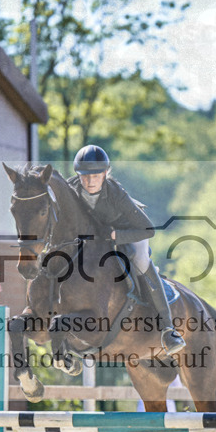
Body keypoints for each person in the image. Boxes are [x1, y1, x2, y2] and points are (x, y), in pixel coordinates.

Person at [68, 145, 186, 355]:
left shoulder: (116, 194)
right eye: (84, 176)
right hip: (98, 239)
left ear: (105, 173)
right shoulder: (72, 188)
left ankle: (168, 329)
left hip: (130, 232)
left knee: (140, 262)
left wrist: (116, 236)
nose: (90, 181)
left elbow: (148, 230)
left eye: (95, 175)